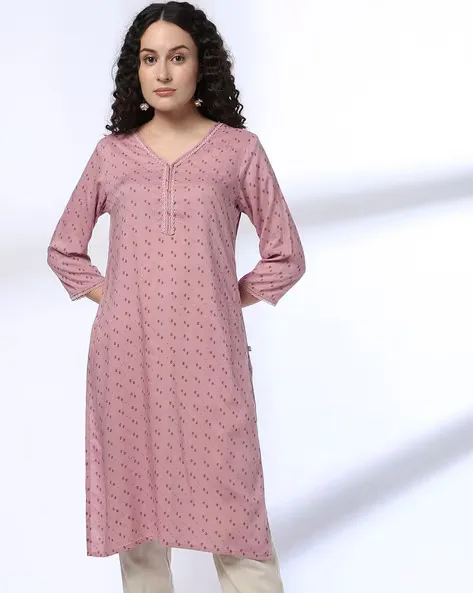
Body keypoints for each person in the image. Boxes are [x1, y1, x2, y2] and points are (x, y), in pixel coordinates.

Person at [46, 2, 306, 591]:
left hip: (210, 362)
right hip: (126, 361)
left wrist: (223, 299)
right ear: (135, 70)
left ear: (201, 66)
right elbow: (64, 249)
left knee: (238, 525)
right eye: (149, 59)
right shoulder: (112, 155)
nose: (162, 72)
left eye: (177, 57)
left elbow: (285, 254)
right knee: (137, 533)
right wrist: (114, 294)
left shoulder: (238, 150)